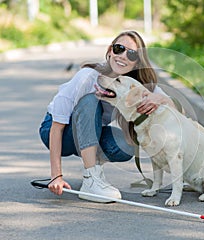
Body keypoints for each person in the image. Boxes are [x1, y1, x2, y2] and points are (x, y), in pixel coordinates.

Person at [39, 30, 176, 203]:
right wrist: (56, 176)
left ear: (136, 62)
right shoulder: (87, 77)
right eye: (119, 48)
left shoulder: (134, 86)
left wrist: (159, 98)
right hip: (59, 131)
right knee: (90, 100)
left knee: (126, 145)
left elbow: (175, 108)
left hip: (90, 133)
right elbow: (56, 129)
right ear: (110, 50)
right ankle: (91, 178)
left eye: (132, 54)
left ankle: (93, 167)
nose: (123, 56)